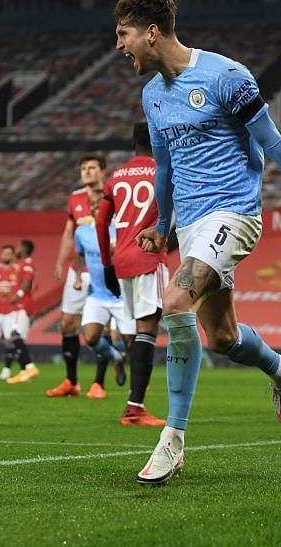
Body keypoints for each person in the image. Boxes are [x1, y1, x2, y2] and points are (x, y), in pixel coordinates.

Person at [114, 0, 281, 485]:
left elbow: (276, 146)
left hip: (235, 214)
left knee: (175, 301)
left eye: (124, 33)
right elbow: (164, 169)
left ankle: (172, 441)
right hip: (193, 224)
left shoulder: (226, 76)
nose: (120, 45)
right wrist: (161, 226)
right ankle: (280, 369)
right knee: (220, 338)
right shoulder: (151, 95)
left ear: (151, 32)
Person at [97, 121, 168, 427]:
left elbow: (101, 223)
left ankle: (136, 400)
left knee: (141, 329)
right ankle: (135, 406)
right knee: (148, 329)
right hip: (149, 258)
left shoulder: (115, 177)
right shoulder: (163, 170)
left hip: (122, 259)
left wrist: (106, 265)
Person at [46, 155, 107, 398]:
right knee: (68, 324)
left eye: (92, 168)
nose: (87, 172)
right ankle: (71, 381)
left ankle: (98, 383)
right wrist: (61, 261)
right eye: (83, 168)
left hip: (104, 270)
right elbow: (69, 231)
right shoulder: (75, 198)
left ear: (103, 171)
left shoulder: (113, 194)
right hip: (79, 270)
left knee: (102, 327)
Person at [73, 190, 130, 400]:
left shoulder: (121, 228)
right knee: (90, 337)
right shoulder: (81, 232)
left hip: (122, 293)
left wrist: (120, 251)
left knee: (131, 340)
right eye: (94, 203)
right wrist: (78, 277)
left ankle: (138, 390)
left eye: (102, 202)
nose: (98, 205)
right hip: (97, 294)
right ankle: (116, 358)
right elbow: (79, 255)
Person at [4, 238, 40, 383]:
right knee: (16, 338)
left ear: (24, 249)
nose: (16, 250)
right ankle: (24, 372)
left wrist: (17, 295)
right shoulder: (22, 264)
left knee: (14, 334)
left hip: (21, 305)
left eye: (18, 247)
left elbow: (27, 282)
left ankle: (30, 366)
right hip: (19, 305)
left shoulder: (28, 263)